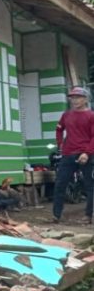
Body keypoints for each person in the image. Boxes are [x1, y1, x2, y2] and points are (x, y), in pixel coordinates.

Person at [53, 86, 94, 224]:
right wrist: (60, 144)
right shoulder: (66, 115)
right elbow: (59, 129)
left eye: (78, 97)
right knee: (60, 184)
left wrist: (87, 153)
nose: (74, 100)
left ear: (85, 99)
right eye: (72, 98)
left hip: (85, 154)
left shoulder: (91, 116)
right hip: (68, 154)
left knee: (89, 185)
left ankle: (88, 215)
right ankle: (56, 215)